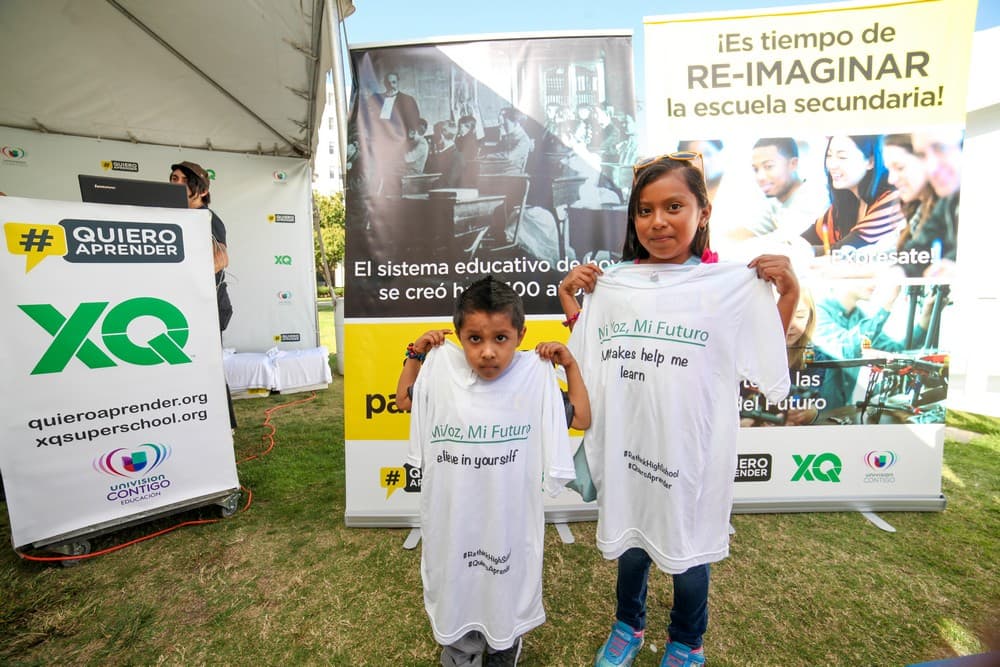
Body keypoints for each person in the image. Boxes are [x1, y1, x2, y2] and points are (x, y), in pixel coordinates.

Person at [557, 153, 798, 667]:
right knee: (632, 546)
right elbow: (587, 358)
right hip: (630, 449)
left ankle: (687, 641)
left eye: (673, 206)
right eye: (644, 211)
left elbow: (762, 360)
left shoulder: (726, 286)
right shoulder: (614, 285)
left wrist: (789, 293)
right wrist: (571, 301)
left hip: (692, 452)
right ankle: (629, 624)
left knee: (691, 555)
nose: (658, 222)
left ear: (702, 212)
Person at [396, 276, 590, 667]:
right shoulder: (443, 376)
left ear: (521, 334)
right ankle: (461, 648)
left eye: (500, 338)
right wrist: (416, 354)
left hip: (509, 523)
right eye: (474, 339)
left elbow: (582, 417)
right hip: (457, 521)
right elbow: (404, 400)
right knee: (460, 583)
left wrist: (568, 364)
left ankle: (505, 644)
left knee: (504, 583)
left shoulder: (534, 379)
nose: (487, 352)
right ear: (458, 336)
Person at [169, 160, 237, 430]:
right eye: (173, 179)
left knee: (208, 368)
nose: (174, 184)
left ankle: (226, 426)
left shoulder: (207, 219)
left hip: (209, 306)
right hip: (184, 305)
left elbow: (221, 260)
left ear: (202, 190)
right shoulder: (176, 218)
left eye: (181, 180)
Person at [800, 135, 905, 256]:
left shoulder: (891, 200)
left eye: (842, 157)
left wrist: (799, 251)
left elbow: (843, 251)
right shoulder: (845, 202)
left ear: (870, 162)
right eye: (829, 155)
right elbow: (806, 239)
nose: (832, 165)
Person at [729, 137, 829, 242]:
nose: (760, 177)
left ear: (793, 164)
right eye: (756, 169)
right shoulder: (775, 202)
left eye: (768, 166)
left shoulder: (814, 196)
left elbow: (787, 241)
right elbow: (741, 233)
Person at [884, 134, 940, 278]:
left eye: (900, 168)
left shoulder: (945, 214)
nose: (891, 179)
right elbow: (884, 254)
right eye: (889, 170)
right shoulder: (917, 211)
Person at [909, 129, 963, 277]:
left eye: (941, 149)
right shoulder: (949, 199)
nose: (931, 168)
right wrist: (897, 272)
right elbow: (919, 247)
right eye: (921, 156)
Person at [424, 120, 468, 188]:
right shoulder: (443, 154)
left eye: (435, 134)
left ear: (441, 136)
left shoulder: (457, 157)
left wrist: (429, 183)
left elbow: (449, 183)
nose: (433, 137)